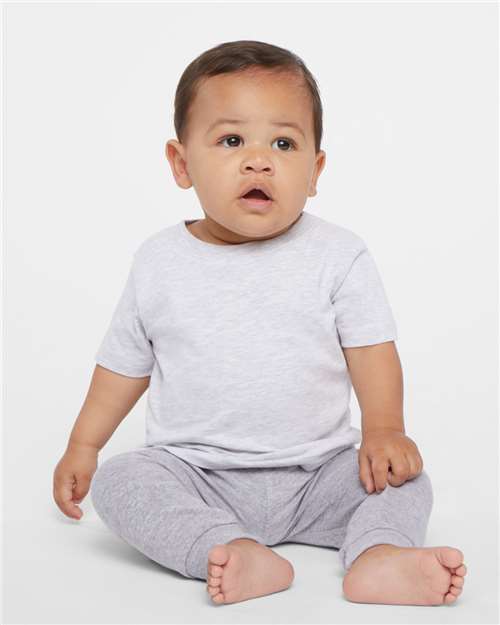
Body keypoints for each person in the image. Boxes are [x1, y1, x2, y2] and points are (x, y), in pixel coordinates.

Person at [53, 40, 467, 606]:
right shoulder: (159, 262)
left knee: (404, 479)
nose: (258, 161)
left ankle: (378, 554)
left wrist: (384, 430)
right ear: (181, 163)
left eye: (283, 143)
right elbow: (124, 365)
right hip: (198, 475)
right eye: (231, 141)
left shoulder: (337, 255)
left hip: (319, 474)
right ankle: (229, 548)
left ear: (315, 170)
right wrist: (84, 444)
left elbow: (371, 349)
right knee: (121, 481)